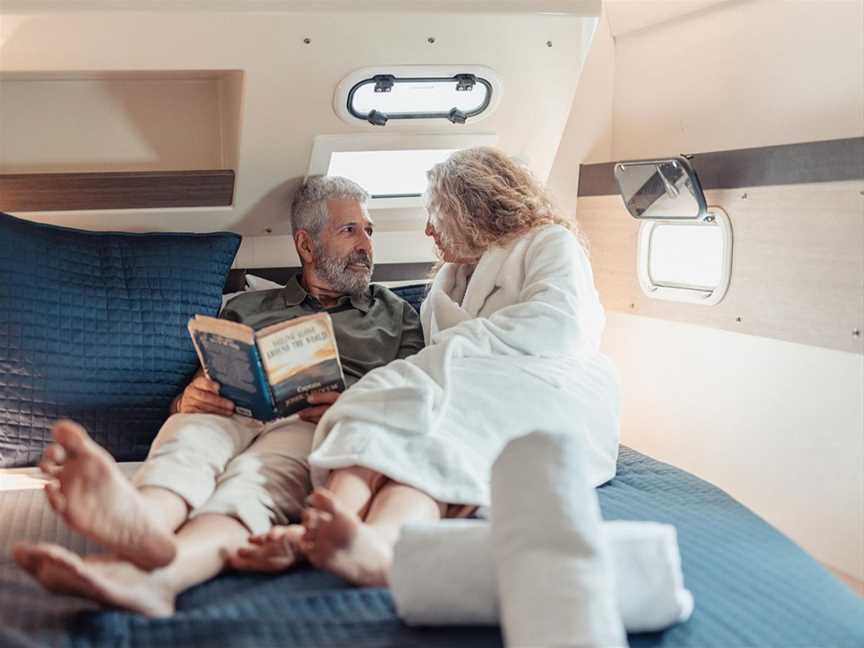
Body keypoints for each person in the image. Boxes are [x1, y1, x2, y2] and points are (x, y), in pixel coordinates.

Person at [13, 175, 424, 617]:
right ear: (306, 245)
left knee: (256, 476)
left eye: (369, 230)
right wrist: (190, 399)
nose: (365, 243)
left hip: (318, 422)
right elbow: (195, 390)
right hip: (234, 412)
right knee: (189, 433)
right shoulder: (246, 308)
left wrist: (350, 403)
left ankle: (157, 574)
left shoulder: (397, 314)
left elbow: (416, 400)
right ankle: (144, 521)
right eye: (350, 230)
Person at [235, 147, 621, 587]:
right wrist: (425, 375)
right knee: (413, 432)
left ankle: (368, 542)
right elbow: (433, 366)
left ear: (471, 209)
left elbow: (557, 325)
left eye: (436, 216)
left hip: (549, 386)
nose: (427, 230)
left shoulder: (549, 243)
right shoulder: (446, 283)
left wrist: (442, 361)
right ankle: (340, 533)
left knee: (416, 420)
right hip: (469, 392)